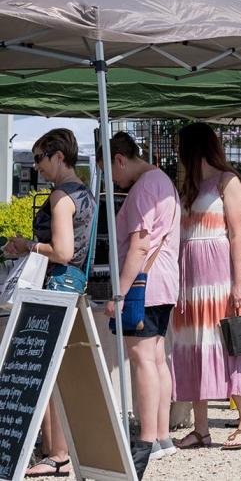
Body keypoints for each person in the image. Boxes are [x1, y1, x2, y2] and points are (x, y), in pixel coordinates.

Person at [10, 129, 95, 478]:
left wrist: (26, 245)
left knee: (46, 371)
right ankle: (54, 449)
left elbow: (62, 251)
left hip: (57, 282)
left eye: (41, 158)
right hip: (73, 283)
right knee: (56, 371)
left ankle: (57, 452)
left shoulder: (61, 196)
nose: (38, 166)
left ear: (59, 155)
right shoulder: (84, 192)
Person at [172, 123, 241, 450]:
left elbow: (237, 233)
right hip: (192, 283)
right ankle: (202, 428)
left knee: (229, 342)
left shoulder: (227, 181)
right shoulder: (191, 186)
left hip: (219, 276)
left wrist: (239, 281)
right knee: (196, 345)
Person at [107, 132, 181, 461]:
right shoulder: (163, 181)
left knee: (142, 360)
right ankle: (162, 436)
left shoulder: (142, 189)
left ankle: (149, 438)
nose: (112, 180)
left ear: (119, 159)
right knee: (157, 359)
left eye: (109, 171)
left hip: (143, 285)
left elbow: (138, 245)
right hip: (164, 282)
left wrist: (118, 293)